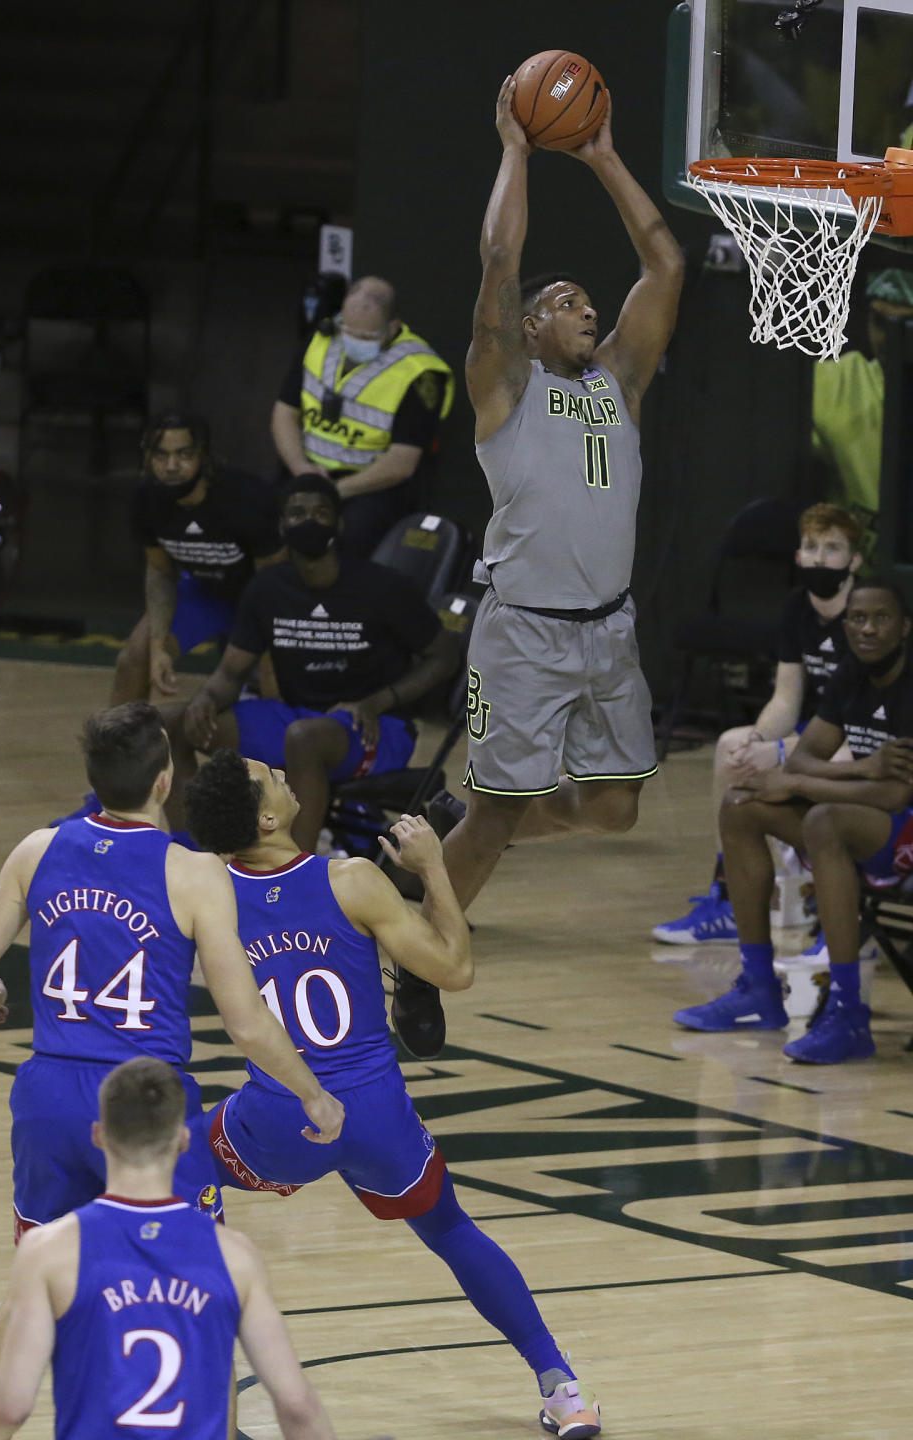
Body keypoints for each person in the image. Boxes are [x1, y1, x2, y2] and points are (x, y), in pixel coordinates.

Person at [183, 749, 603, 1440]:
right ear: (264, 816)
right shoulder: (352, 880)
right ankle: (563, 1390)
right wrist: (434, 865)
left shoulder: (203, 891)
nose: (287, 773)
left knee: (181, 1162)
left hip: (284, 1119)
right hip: (377, 1115)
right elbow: (454, 969)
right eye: (272, 778)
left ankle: (211, 1406)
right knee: (450, 1230)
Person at [392, 78, 684, 1059]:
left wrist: (600, 154)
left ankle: (448, 827)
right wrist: (518, 148)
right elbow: (500, 256)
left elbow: (666, 259)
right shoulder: (503, 391)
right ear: (525, 329)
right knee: (503, 810)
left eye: (589, 302)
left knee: (612, 807)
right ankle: (421, 965)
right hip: (521, 629)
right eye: (563, 301)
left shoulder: (622, 384)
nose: (584, 307)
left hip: (609, 627)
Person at [0, 702, 343, 1388]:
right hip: (147, 1104)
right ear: (165, 782)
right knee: (202, 1293)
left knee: (29, 1294)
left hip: (49, 1095)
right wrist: (312, 1093)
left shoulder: (38, 849)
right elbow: (247, 1023)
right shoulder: (194, 874)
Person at [0, 1056, 336, 1440]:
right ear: (185, 1140)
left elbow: (7, 1406)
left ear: (99, 1135)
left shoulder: (49, 1251)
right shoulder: (232, 1255)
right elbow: (297, 1407)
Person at [673, 577, 913, 1064]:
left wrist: (802, 785)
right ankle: (759, 990)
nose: (867, 628)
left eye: (881, 618)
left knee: (824, 820)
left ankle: (848, 1017)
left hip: (901, 825)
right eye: (857, 618)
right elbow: (803, 759)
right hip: (859, 813)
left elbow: (895, 794)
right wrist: (861, 766)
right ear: (845, 624)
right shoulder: (851, 673)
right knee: (740, 804)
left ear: (905, 626)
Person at [170, 473, 456, 853]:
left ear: (339, 524)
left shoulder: (382, 586)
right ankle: (189, 855)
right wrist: (206, 697)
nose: (309, 521)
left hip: (375, 726)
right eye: (297, 513)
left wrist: (379, 701)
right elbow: (230, 673)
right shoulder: (267, 588)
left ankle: (299, 876)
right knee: (169, 721)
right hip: (295, 719)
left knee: (305, 738)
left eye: (321, 513)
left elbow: (446, 654)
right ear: (281, 525)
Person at [654, 503, 863, 945]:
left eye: (833, 548)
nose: (820, 558)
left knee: (822, 759)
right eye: (811, 547)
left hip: (862, 738)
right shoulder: (796, 609)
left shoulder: (866, 616)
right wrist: (758, 737)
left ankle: (827, 896)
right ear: (798, 557)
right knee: (732, 748)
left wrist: (784, 752)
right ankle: (732, 896)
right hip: (813, 732)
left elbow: (857, 724)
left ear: (854, 560)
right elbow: (786, 698)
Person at [271, 275, 454, 555]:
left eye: (367, 337)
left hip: (368, 486)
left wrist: (334, 491)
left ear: (393, 327)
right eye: (348, 330)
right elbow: (284, 413)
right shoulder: (321, 339)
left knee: (347, 545)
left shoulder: (420, 372)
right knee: (268, 528)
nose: (353, 341)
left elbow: (402, 462)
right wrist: (301, 470)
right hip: (305, 470)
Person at [112, 412, 281, 705]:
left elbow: (274, 581)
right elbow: (160, 572)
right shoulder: (145, 499)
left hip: (261, 599)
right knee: (135, 657)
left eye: (184, 454)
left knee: (274, 670)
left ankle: (282, 746)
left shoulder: (248, 497)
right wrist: (157, 646)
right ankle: (118, 747)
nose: (172, 466)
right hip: (204, 593)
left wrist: (253, 646)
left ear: (203, 455)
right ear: (148, 457)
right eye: (161, 455)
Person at [811, 268, 913, 549]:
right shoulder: (838, 382)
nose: (886, 339)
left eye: (905, 325)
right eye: (879, 321)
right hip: (855, 579)